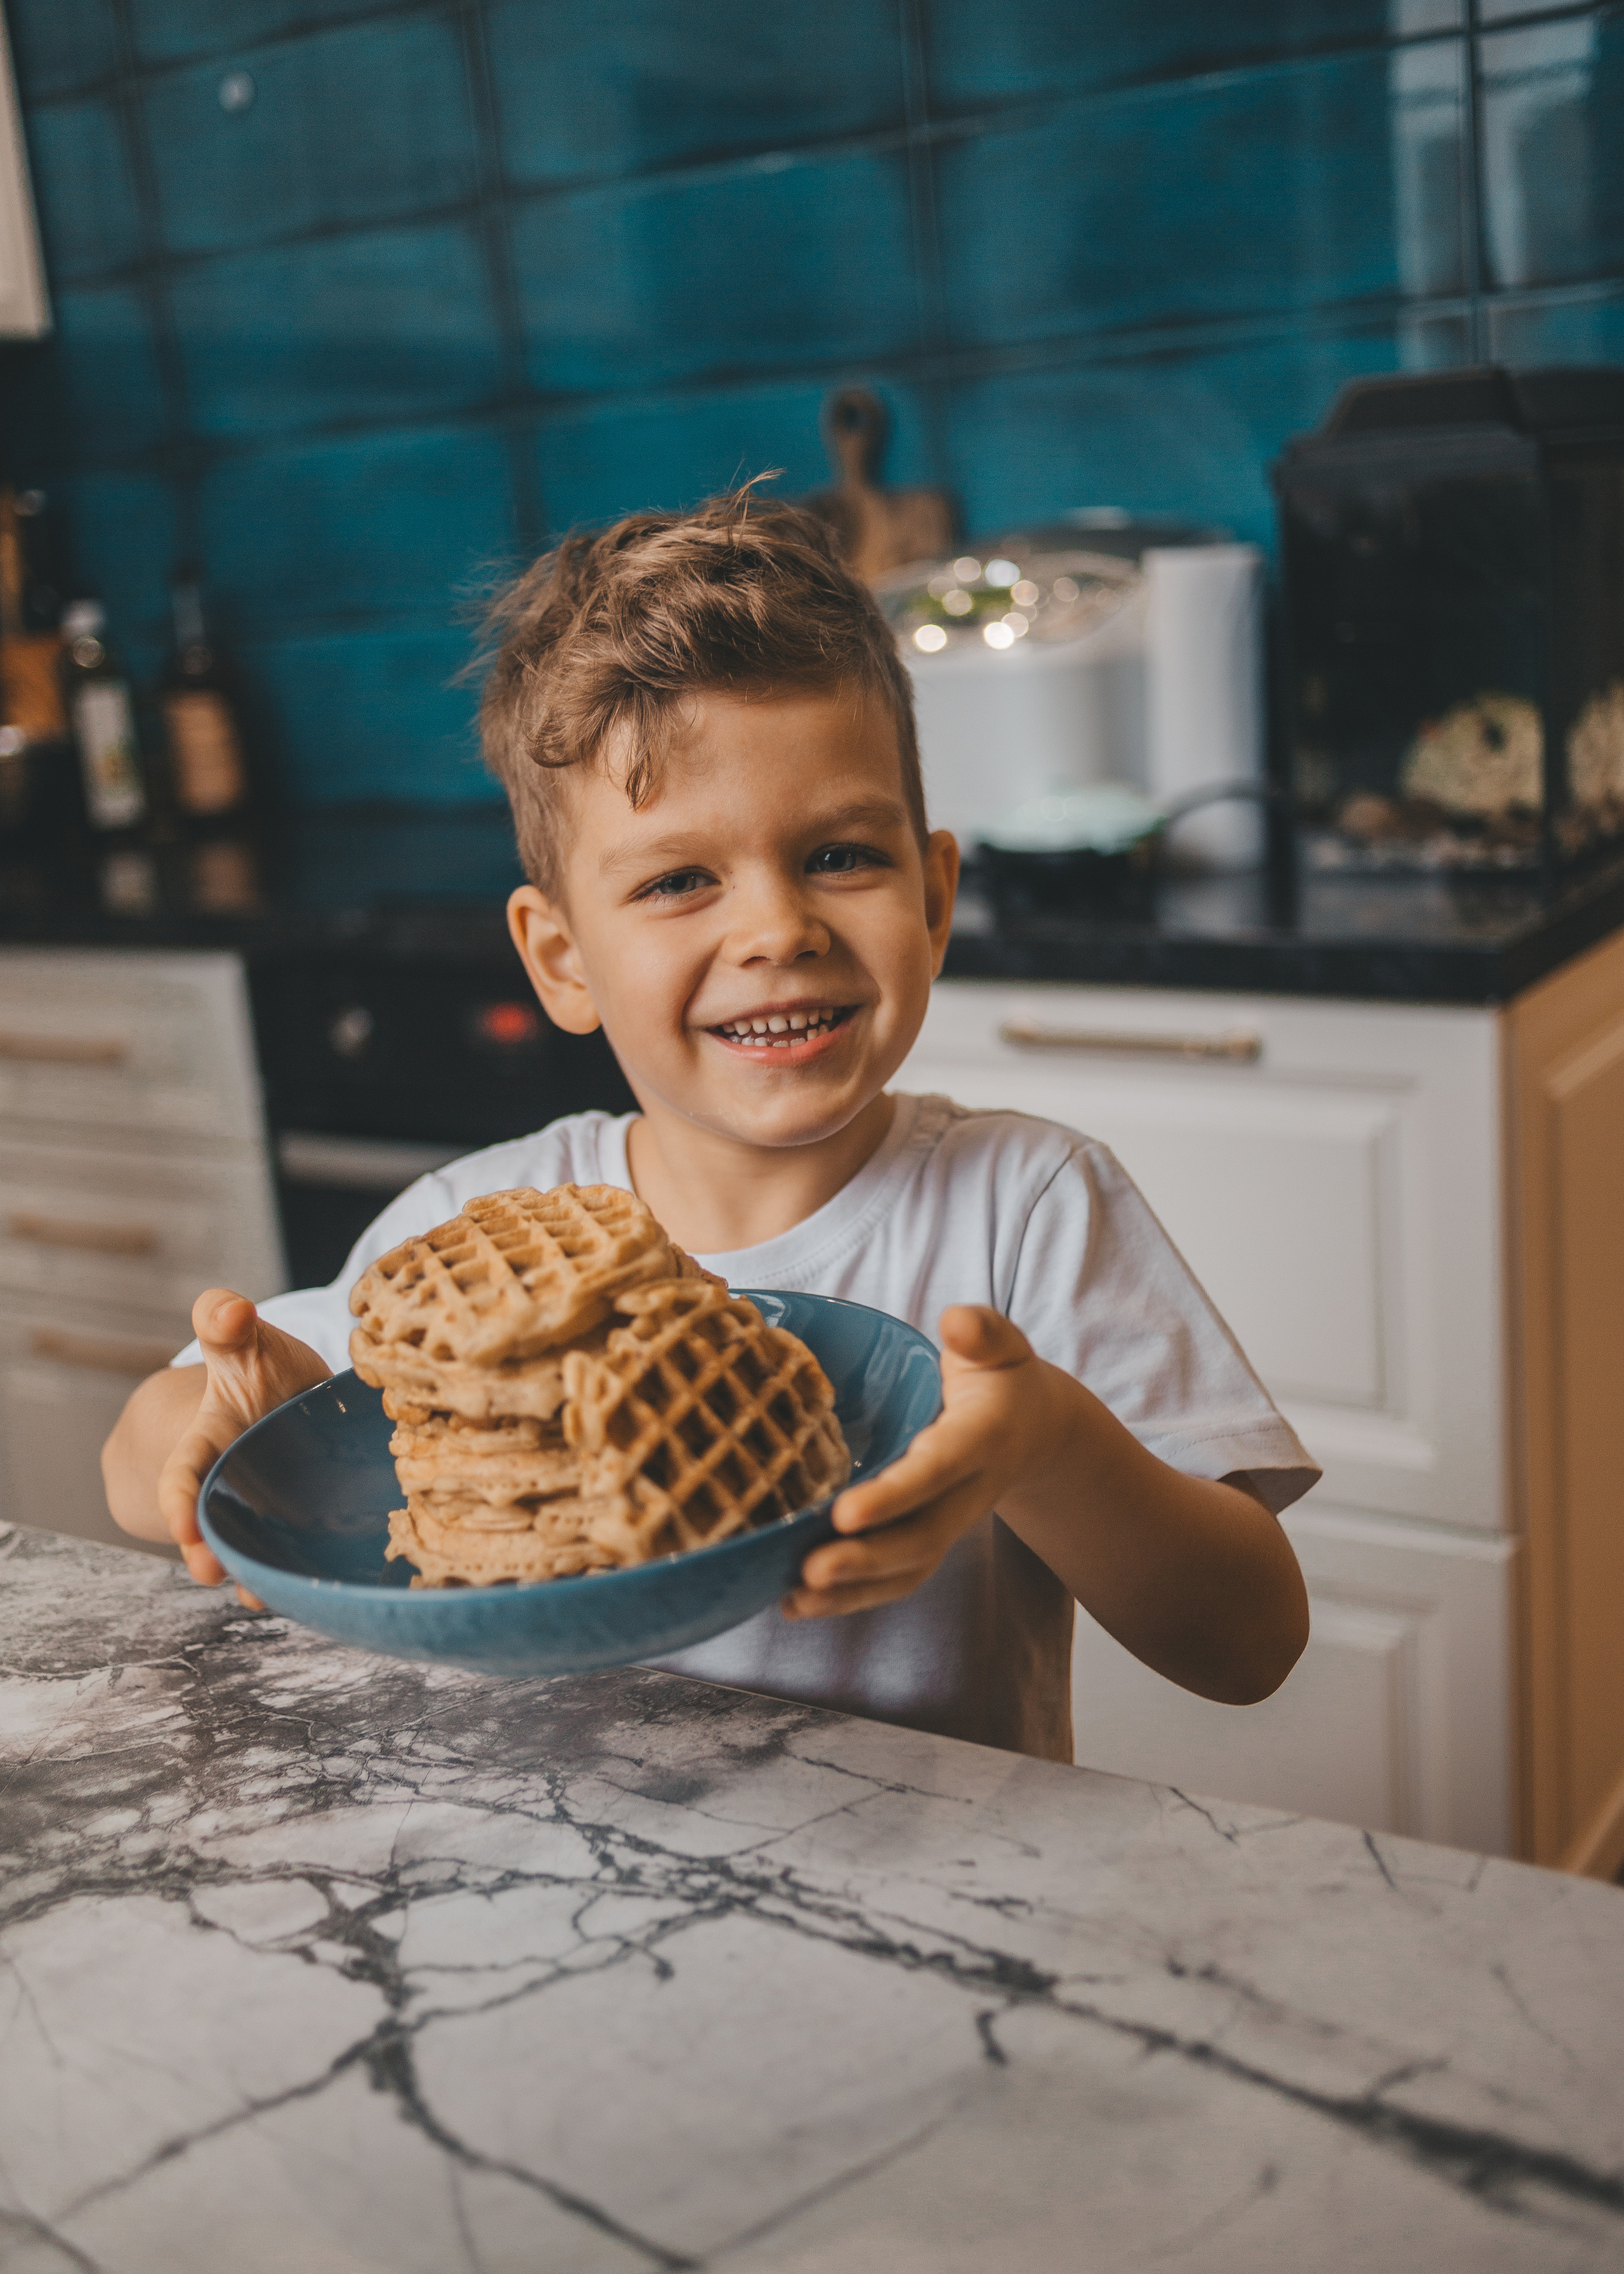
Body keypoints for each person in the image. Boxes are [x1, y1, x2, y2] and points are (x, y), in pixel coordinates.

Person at [103, 487, 1316, 1761]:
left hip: (928, 1904)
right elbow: (150, 1447)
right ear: (562, 959)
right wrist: (225, 1431)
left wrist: (1046, 1442)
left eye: (840, 855)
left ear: (936, 895)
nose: (777, 931)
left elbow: (1247, 1643)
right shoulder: (471, 1231)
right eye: (680, 880)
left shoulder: (1025, 1209)